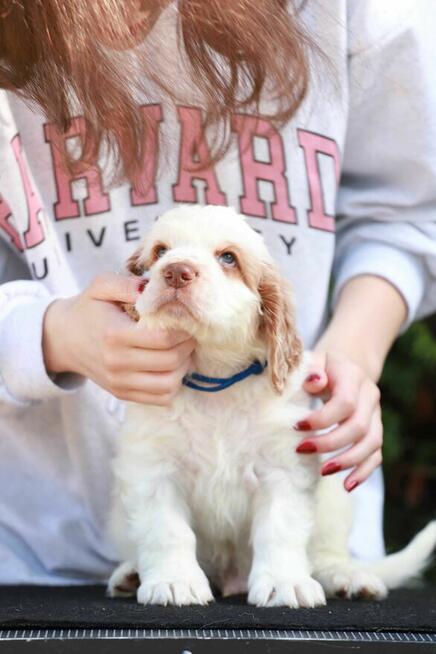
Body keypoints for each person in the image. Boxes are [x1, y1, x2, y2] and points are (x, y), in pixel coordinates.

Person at [0, 0, 435, 585]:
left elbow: (406, 212)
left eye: (225, 261)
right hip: (34, 550)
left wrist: (348, 359)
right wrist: (48, 336)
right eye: (162, 260)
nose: (180, 271)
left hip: (293, 563)